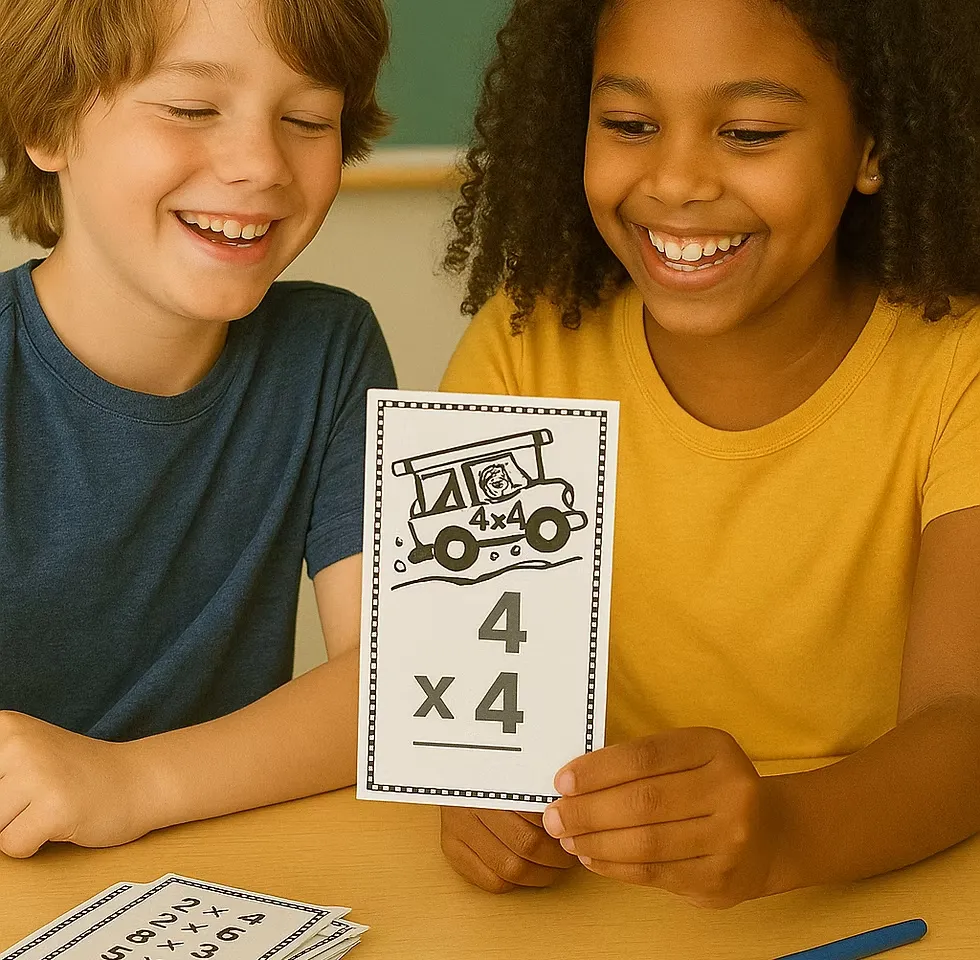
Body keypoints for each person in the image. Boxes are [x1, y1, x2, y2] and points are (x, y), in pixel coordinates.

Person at [438, 0, 980, 907]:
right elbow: (467, 708)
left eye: (750, 132)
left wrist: (785, 831)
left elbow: (964, 721)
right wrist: (473, 801)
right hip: (591, 902)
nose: (677, 180)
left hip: (878, 885)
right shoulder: (522, 347)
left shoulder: (957, 367)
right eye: (629, 125)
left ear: (873, 147)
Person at [0, 0, 395, 858]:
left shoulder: (329, 352)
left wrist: (130, 785)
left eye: (305, 119)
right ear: (47, 122)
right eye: (190, 108)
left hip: (213, 873)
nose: (260, 165)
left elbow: (396, 683)